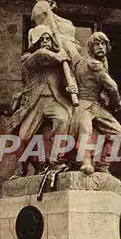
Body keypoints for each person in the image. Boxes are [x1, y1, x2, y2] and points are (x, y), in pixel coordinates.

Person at [9, 24, 78, 178]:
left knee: (63, 120)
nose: (45, 41)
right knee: (23, 136)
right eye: (42, 39)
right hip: (34, 103)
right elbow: (40, 55)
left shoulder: (60, 65)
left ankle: (55, 160)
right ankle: (21, 169)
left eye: (48, 38)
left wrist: (71, 89)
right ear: (36, 42)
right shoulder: (28, 59)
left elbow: (67, 81)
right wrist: (59, 56)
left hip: (54, 101)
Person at [71, 31, 121, 175]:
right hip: (83, 104)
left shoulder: (100, 62)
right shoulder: (93, 64)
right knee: (86, 130)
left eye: (103, 44)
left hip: (96, 105)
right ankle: (87, 162)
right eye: (97, 44)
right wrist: (116, 104)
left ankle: (102, 165)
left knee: (119, 135)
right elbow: (112, 86)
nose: (101, 47)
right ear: (90, 47)